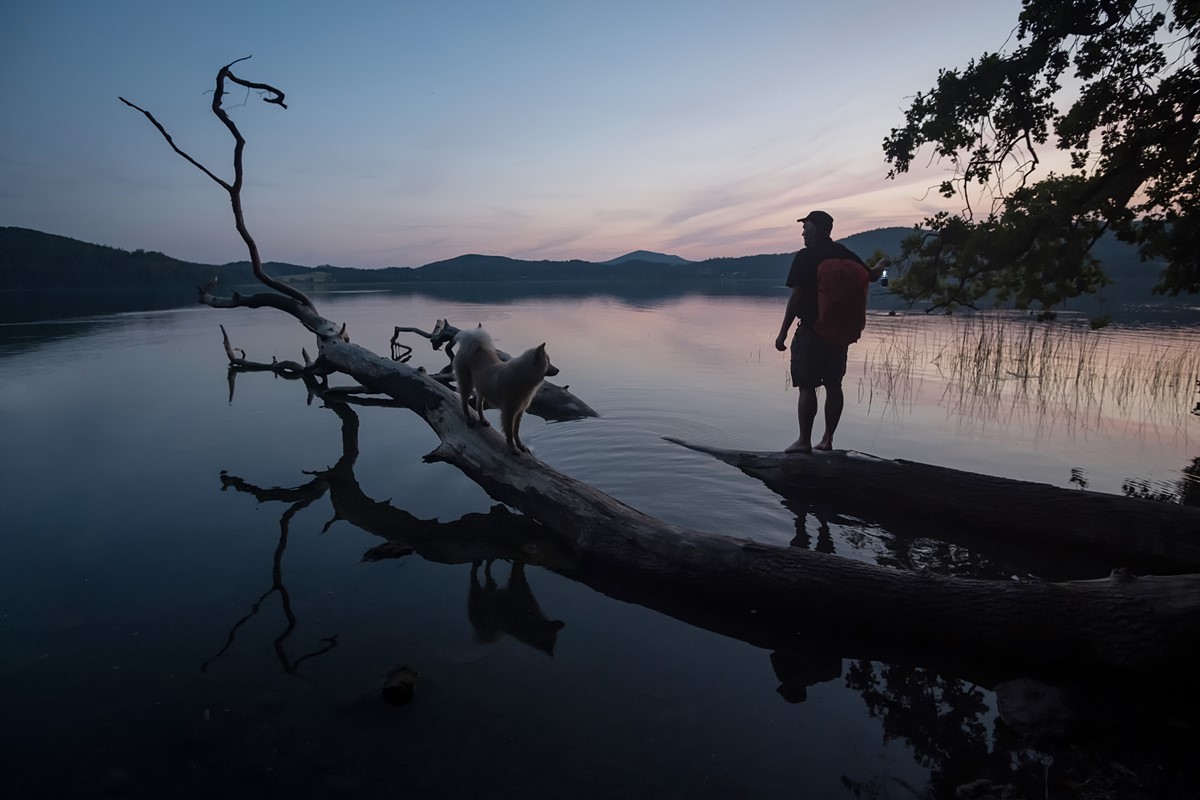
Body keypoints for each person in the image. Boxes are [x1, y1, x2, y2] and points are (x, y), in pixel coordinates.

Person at [774, 210, 887, 453]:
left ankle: (804, 441)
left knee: (807, 386)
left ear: (814, 230)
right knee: (834, 385)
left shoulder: (806, 256)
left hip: (812, 330)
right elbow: (873, 276)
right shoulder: (844, 253)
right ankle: (827, 440)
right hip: (838, 333)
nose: (803, 233)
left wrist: (782, 333)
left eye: (805, 228)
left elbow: (797, 297)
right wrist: (881, 264)